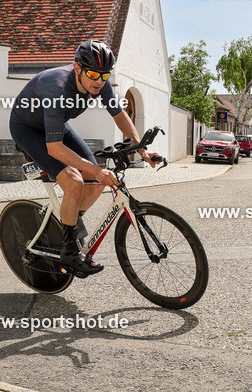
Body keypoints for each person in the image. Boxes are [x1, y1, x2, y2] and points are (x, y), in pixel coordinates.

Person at [8, 40, 161, 276]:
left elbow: (119, 115)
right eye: (92, 74)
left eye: (104, 75)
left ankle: (64, 222)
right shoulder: (55, 87)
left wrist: (142, 150)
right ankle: (69, 251)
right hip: (27, 129)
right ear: (77, 68)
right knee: (74, 181)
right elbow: (55, 148)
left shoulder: (100, 82)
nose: (99, 81)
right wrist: (95, 169)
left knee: (98, 181)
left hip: (57, 126)